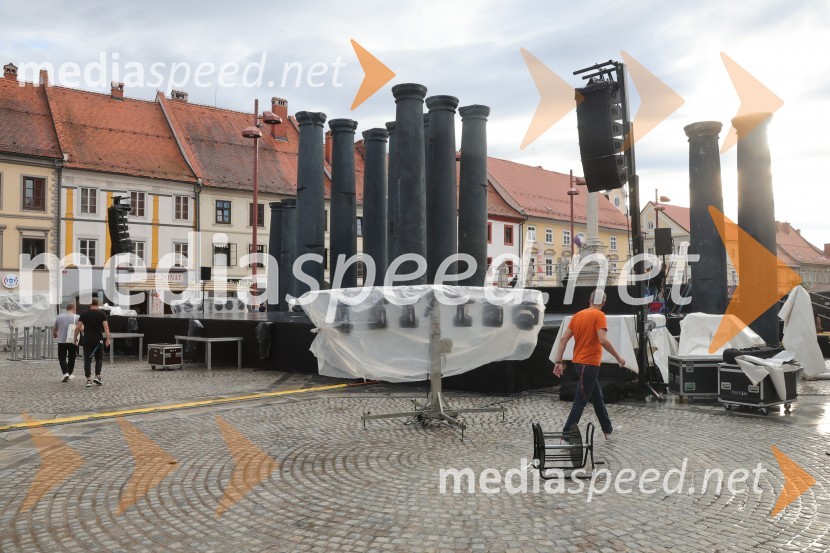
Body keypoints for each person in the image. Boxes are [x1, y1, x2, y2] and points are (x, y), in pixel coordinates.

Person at [552, 289, 626, 439]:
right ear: (603, 303)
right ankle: (566, 436)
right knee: (580, 401)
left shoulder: (578, 315)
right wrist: (618, 358)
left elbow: (563, 339)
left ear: (590, 300)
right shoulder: (599, 315)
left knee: (597, 397)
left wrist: (558, 361)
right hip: (589, 364)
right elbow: (603, 340)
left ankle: (607, 430)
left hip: (579, 364)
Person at [73, 299, 111, 388]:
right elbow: (106, 327)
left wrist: (75, 337)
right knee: (99, 359)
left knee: (88, 359)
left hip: (87, 339)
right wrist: (108, 339)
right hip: (98, 340)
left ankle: (89, 379)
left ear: (90, 304)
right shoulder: (102, 314)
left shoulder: (84, 314)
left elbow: (78, 327)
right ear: (98, 305)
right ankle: (97, 376)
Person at [52, 303, 79, 382]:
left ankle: (65, 372)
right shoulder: (77, 317)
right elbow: (82, 328)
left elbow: (55, 328)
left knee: (62, 358)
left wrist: (54, 334)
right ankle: (69, 373)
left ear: (66, 308)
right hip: (73, 340)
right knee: (72, 358)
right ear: (73, 308)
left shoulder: (59, 316)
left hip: (61, 341)